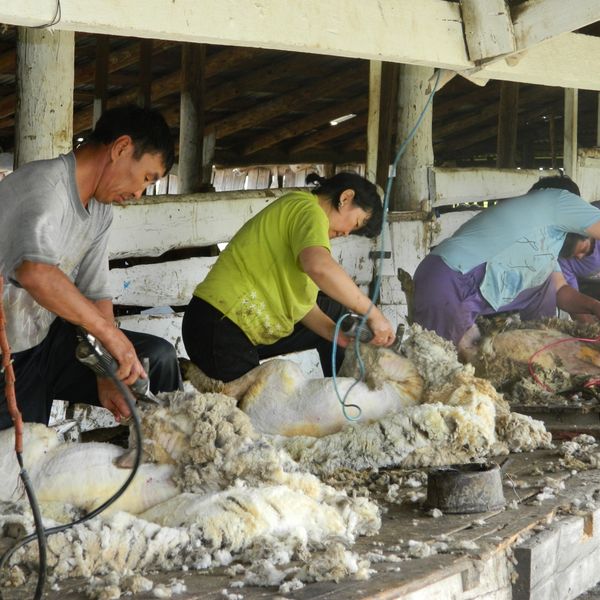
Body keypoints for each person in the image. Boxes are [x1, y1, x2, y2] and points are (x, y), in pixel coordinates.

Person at [0, 104, 182, 430]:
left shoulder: (100, 210)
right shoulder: (45, 186)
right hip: (7, 354)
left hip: (42, 340)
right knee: (22, 461)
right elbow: (35, 273)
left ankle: (159, 461)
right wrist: (110, 337)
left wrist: (106, 370)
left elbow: (95, 291)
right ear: (121, 148)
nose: (139, 193)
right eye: (145, 178)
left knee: (158, 358)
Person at [182, 172, 396, 382]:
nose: (348, 232)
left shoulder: (305, 227)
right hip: (219, 325)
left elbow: (303, 308)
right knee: (252, 411)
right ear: (345, 198)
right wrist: (373, 314)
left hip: (223, 326)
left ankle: (345, 394)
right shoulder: (308, 210)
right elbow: (319, 266)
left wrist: (338, 337)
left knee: (336, 315)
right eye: (356, 223)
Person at [412, 175, 600, 361]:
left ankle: (540, 351)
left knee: (542, 286)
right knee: (440, 370)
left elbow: (558, 291)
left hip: (451, 281)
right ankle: (539, 355)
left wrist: (594, 306)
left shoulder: (540, 242)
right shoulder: (559, 199)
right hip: (451, 280)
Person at [558, 200, 600, 322]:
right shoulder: (562, 260)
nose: (579, 257)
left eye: (583, 249)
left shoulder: (594, 220)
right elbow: (572, 300)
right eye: (573, 256)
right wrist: (591, 330)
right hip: (588, 289)